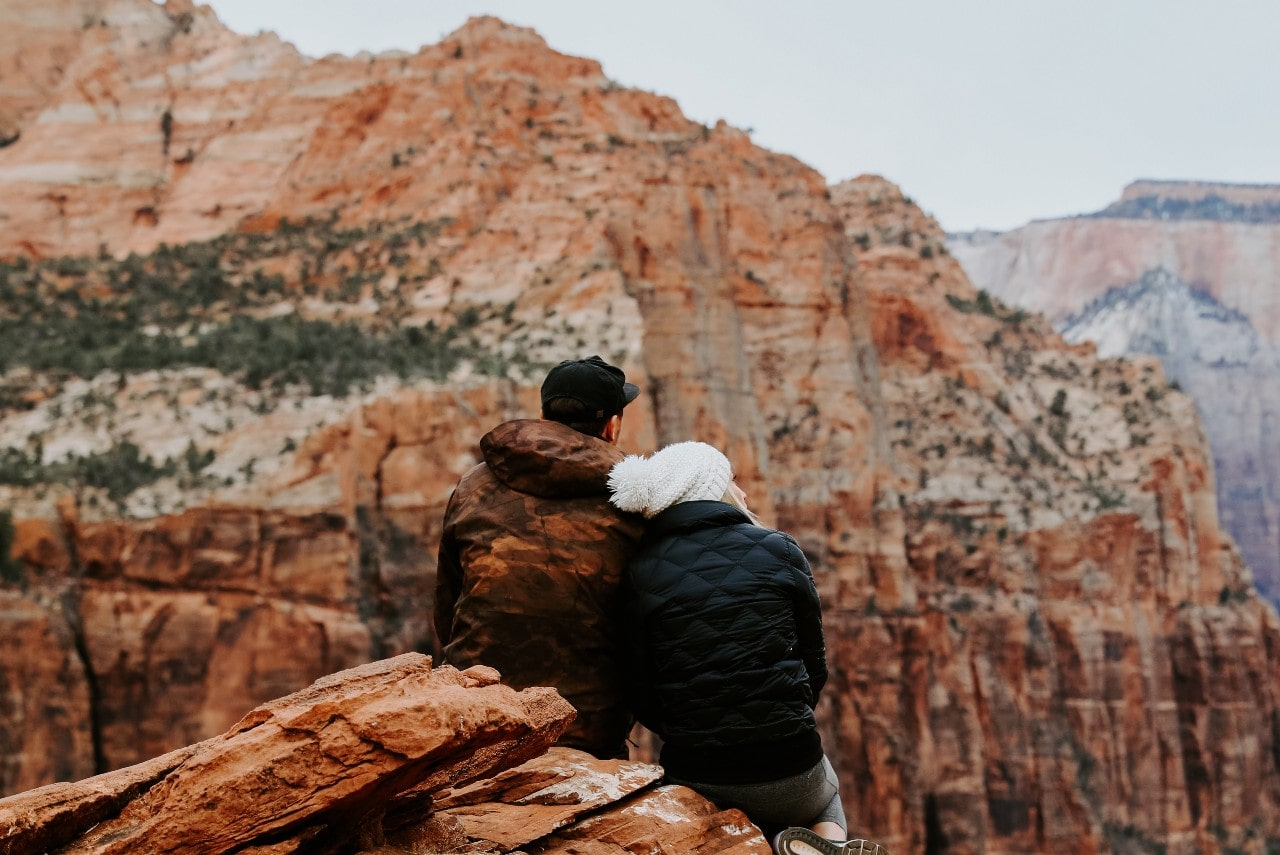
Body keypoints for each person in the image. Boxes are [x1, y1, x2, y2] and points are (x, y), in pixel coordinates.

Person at [608, 442, 887, 855]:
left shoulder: (639, 573)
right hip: (791, 762)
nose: (744, 493)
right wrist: (780, 713)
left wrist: (693, 728)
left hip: (699, 773)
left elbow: (639, 688)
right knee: (826, 799)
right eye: (732, 481)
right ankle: (818, 844)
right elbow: (815, 665)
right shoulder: (780, 548)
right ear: (712, 490)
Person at [434, 356, 647, 759]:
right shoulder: (635, 496)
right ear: (612, 426)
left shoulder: (474, 484)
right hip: (587, 731)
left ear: (544, 415)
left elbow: (448, 604)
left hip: (475, 716)